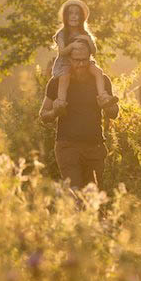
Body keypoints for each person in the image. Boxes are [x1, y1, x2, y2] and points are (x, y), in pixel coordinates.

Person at [39, 40, 119, 189]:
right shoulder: (56, 83)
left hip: (95, 147)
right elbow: (43, 116)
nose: (81, 64)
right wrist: (55, 111)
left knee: (96, 200)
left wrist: (107, 106)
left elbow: (114, 113)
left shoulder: (101, 80)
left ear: (90, 58)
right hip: (68, 147)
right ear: (68, 59)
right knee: (76, 195)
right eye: (76, 60)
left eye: (85, 60)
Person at [51, 0, 117, 115]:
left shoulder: (84, 33)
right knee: (64, 78)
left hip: (85, 60)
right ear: (65, 16)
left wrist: (88, 40)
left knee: (98, 71)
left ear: (82, 17)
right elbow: (62, 52)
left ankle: (102, 96)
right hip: (65, 62)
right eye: (70, 13)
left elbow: (93, 51)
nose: (74, 16)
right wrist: (72, 46)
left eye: (77, 14)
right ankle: (61, 103)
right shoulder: (61, 34)